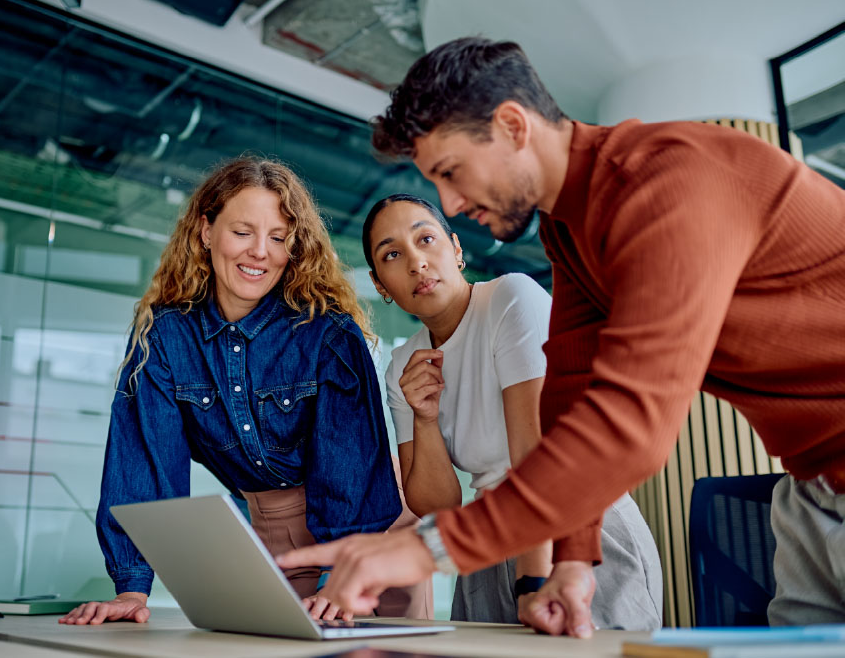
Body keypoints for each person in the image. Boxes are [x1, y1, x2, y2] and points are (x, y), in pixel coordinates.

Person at [277, 37, 845, 635]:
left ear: (512, 125)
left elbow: (631, 426)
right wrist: (574, 559)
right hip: (810, 489)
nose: (451, 202)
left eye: (451, 172)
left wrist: (426, 550)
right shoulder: (570, 231)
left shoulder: (665, 184)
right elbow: (570, 404)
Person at [60, 157, 430, 626]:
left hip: (369, 527)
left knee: (380, 648)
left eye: (278, 238)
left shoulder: (328, 335)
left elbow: (350, 468)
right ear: (205, 231)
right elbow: (145, 462)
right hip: (269, 527)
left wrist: (343, 575)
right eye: (242, 232)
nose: (260, 252)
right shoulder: (166, 337)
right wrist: (132, 589)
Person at [364, 193, 662, 629]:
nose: (416, 262)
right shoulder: (403, 366)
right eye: (392, 254)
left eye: (425, 239)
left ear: (456, 249)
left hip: (574, 529)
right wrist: (425, 418)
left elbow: (536, 460)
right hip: (489, 541)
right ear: (379, 284)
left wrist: (532, 580)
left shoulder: (511, 298)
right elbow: (437, 504)